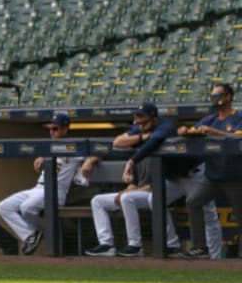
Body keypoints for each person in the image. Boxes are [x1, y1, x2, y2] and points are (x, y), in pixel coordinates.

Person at [84, 103, 220, 258]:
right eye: (138, 122)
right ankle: (172, 245)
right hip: (174, 178)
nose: (141, 125)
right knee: (155, 199)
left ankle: (216, 258)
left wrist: (132, 161)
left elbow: (154, 142)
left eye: (144, 121)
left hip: (193, 174)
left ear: (154, 118)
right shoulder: (142, 128)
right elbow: (117, 142)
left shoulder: (166, 126)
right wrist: (142, 136)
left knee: (208, 215)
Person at [0, 113, 98, 255]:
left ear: (65, 129)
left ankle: (34, 234)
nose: (52, 131)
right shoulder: (49, 146)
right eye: (51, 128)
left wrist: (89, 161)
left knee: (27, 207)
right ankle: (30, 234)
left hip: (57, 191)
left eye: (55, 128)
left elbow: (101, 149)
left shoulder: (74, 146)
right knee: (4, 206)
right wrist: (42, 156)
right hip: (38, 188)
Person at [178, 83, 242, 259]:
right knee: (193, 201)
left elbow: (238, 137)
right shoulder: (210, 118)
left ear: (228, 97)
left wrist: (213, 132)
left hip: (235, 176)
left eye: (218, 96)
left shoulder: (238, 117)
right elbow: (193, 130)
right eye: (213, 96)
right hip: (212, 176)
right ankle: (199, 246)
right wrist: (183, 131)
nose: (215, 99)